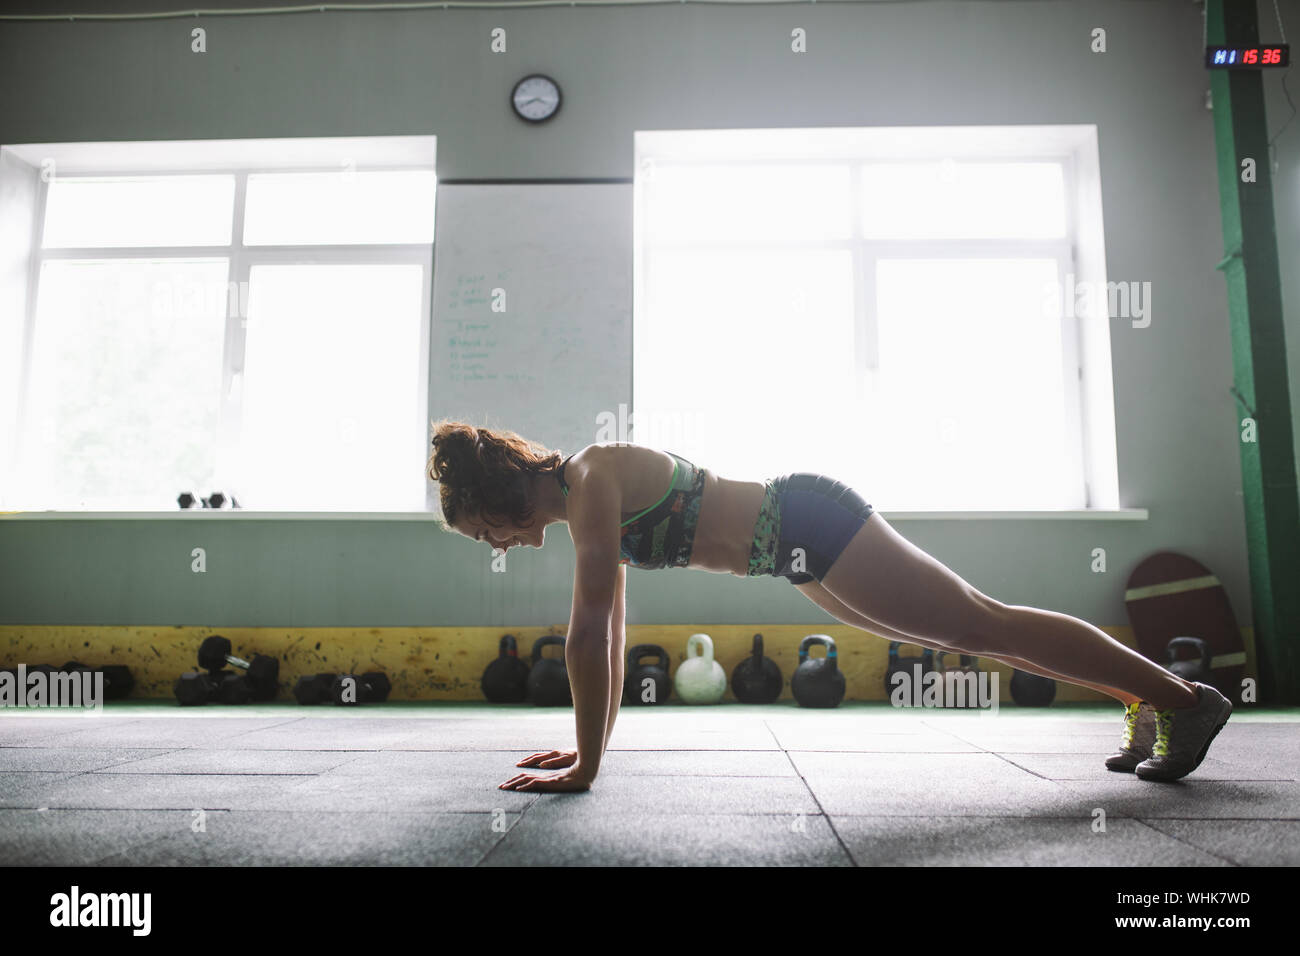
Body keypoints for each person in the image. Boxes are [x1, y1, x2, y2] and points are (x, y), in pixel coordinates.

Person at [427, 421, 1232, 792]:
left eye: (484, 530)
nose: (495, 544)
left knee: (981, 621)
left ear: (500, 496)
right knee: (979, 635)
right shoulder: (585, 505)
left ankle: (1186, 699)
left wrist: (588, 769)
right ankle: (1145, 698)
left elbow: (589, 631)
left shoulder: (592, 480)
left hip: (809, 520)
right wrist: (584, 753)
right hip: (795, 554)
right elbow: (612, 636)